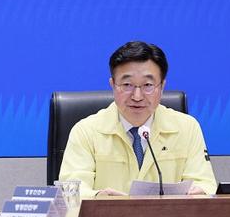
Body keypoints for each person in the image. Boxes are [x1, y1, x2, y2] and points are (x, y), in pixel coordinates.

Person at [58, 41, 216, 197]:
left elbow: (204, 183)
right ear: (113, 85)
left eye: (148, 85)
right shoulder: (86, 131)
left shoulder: (187, 128)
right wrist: (100, 197)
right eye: (127, 85)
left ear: (162, 87)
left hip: (169, 215)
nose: (137, 96)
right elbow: (71, 191)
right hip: (106, 214)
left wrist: (198, 192)